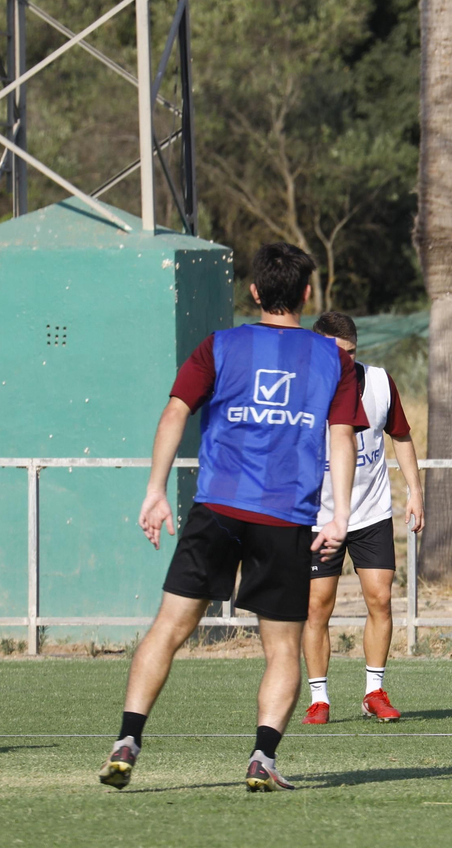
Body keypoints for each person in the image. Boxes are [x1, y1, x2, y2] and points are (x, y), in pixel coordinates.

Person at [98, 244, 364, 793]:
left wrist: (155, 491)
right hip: (285, 519)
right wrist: (339, 515)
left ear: (255, 291)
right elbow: (342, 438)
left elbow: (175, 412)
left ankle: (127, 739)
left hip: (217, 509)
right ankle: (262, 758)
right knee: (282, 649)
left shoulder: (219, 345)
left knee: (168, 629)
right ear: (307, 294)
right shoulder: (333, 359)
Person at [300, 311, 424, 725]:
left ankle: (374, 692)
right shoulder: (300, 388)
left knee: (381, 599)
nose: (345, 361)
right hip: (318, 516)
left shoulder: (380, 382)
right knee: (317, 606)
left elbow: (401, 436)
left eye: (351, 352)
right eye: (336, 353)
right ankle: (319, 698)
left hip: (371, 512)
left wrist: (415, 491)